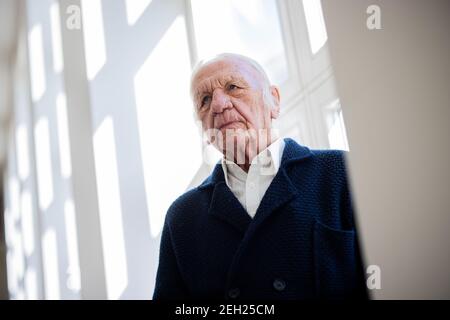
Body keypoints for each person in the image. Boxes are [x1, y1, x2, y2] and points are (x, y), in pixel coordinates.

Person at [153, 53, 367, 300]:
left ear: (274, 101)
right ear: (203, 129)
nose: (218, 105)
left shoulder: (342, 172)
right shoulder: (182, 217)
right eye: (205, 99)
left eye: (233, 87)